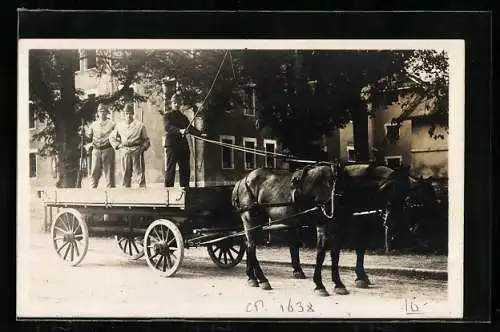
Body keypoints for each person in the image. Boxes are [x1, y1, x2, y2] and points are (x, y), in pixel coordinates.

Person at [163, 94, 203, 187]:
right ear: (172, 103)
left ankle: (185, 190)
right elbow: (168, 127)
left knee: (185, 169)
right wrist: (179, 130)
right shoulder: (167, 115)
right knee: (170, 169)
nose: (176, 104)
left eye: (178, 102)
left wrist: (201, 134)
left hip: (183, 147)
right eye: (174, 102)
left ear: (181, 104)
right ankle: (168, 191)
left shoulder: (183, 117)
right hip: (172, 146)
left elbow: (190, 129)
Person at [109, 104, 151, 188]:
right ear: (124, 114)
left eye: (131, 113)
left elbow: (146, 140)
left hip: (137, 150)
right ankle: (126, 192)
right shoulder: (119, 126)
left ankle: (143, 192)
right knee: (126, 174)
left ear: (133, 114)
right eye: (127, 113)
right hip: (125, 150)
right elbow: (111, 137)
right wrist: (118, 145)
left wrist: (143, 148)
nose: (129, 115)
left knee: (139, 173)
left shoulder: (140, 125)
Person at [86, 103, 116, 188]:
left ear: (107, 113)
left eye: (104, 111)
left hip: (108, 149)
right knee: (94, 172)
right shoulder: (93, 125)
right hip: (96, 150)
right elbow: (89, 137)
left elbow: (117, 135)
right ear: (97, 113)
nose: (102, 113)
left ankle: (111, 194)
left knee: (109, 173)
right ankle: (93, 192)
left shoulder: (112, 124)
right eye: (100, 111)